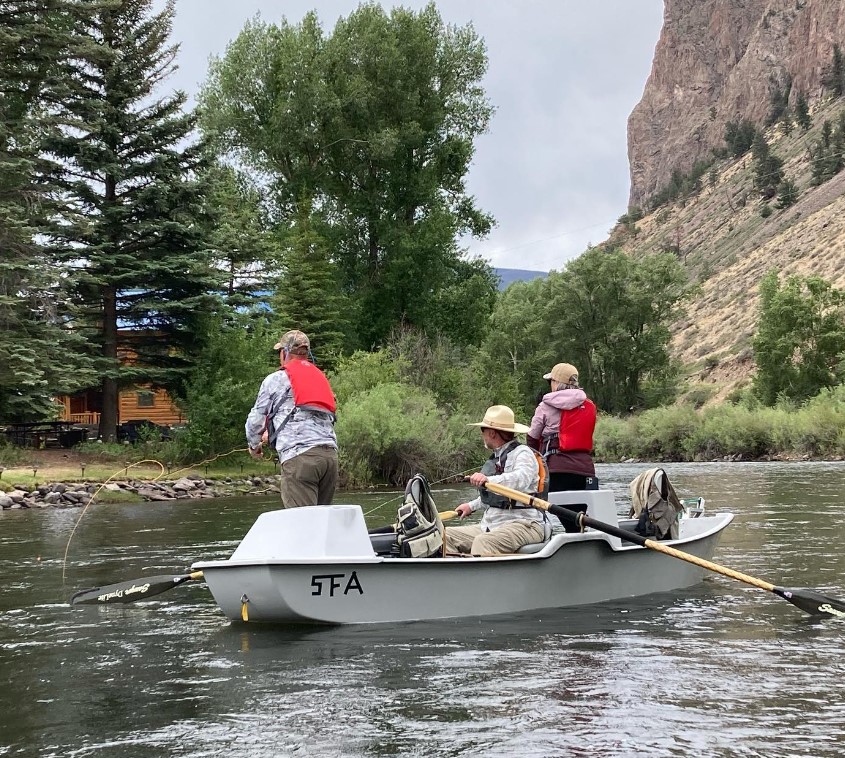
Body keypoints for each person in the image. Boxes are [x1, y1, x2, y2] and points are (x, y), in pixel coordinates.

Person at [246, 330, 338, 508]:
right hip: (329, 457)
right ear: (306, 353)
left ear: (284, 353)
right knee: (321, 524)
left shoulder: (275, 380)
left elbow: (256, 418)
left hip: (300, 459)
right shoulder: (320, 377)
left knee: (303, 525)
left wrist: (254, 445)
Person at [445, 405, 546, 556]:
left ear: (492, 433)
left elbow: (521, 479)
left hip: (525, 524)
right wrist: (471, 506)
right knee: (444, 536)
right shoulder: (497, 457)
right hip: (493, 525)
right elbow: (497, 497)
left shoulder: (523, 453)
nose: (482, 435)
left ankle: (481, 577)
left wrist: (488, 480)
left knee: (483, 542)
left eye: (483, 430)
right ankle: (457, 576)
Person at [527, 362, 597, 531]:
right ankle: (580, 542)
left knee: (567, 518)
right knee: (579, 518)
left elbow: (532, 437)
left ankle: (572, 544)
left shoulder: (545, 406)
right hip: (586, 470)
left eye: (550, 381)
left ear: (556, 383)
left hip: (557, 469)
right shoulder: (589, 406)